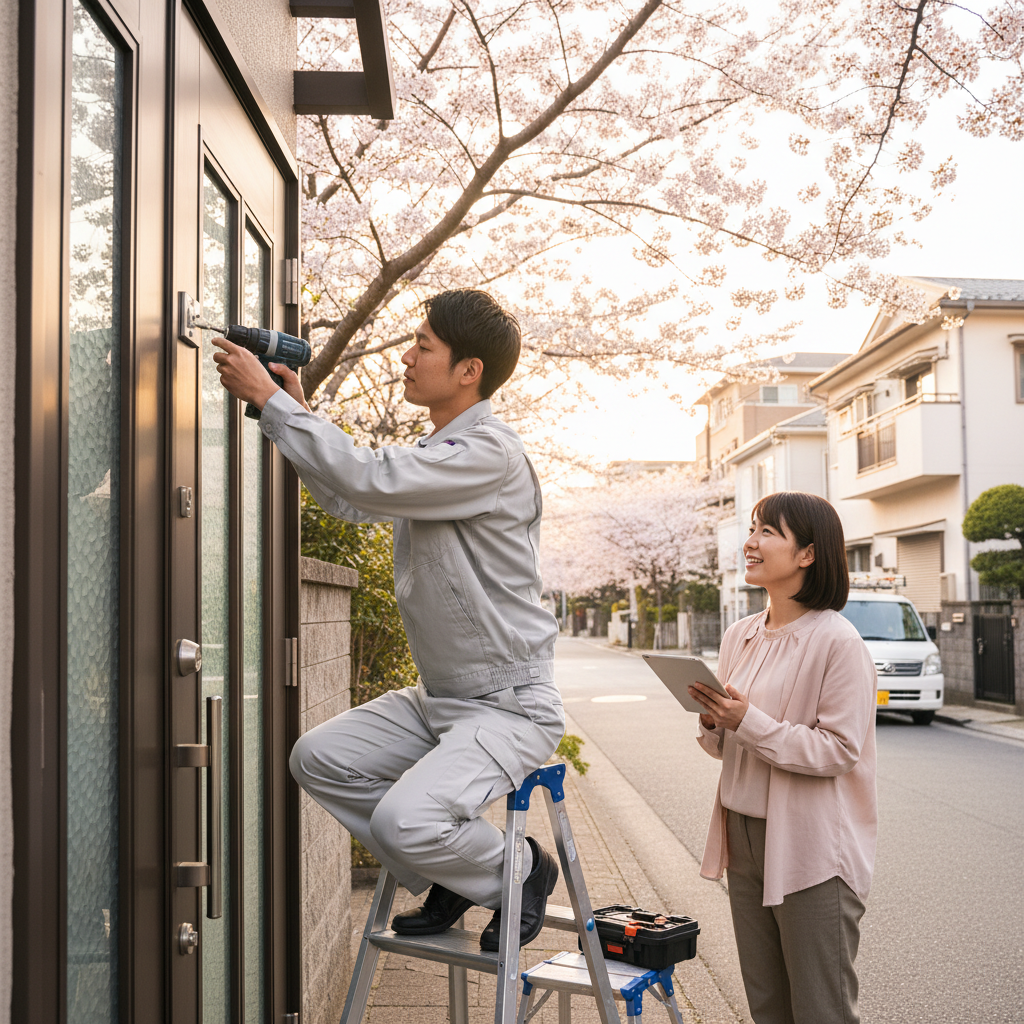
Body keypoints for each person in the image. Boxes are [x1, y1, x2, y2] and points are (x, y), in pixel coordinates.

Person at [212, 289, 564, 951]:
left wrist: (272, 401)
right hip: (443, 698)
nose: (405, 357)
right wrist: (296, 410)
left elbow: (367, 481)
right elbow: (351, 499)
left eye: (423, 345)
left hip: (509, 705)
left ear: (469, 371)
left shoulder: (487, 453)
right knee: (319, 759)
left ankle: (518, 870)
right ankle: (454, 872)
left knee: (406, 819)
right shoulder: (443, 453)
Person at [688, 491, 876, 1024]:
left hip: (814, 844)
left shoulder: (839, 642)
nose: (750, 542)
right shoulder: (739, 635)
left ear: (808, 555)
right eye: (754, 528)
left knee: (821, 1008)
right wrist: (712, 721)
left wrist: (745, 720)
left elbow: (838, 750)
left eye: (768, 531)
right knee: (767, 1003)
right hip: (742, 831)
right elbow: (728, 745)